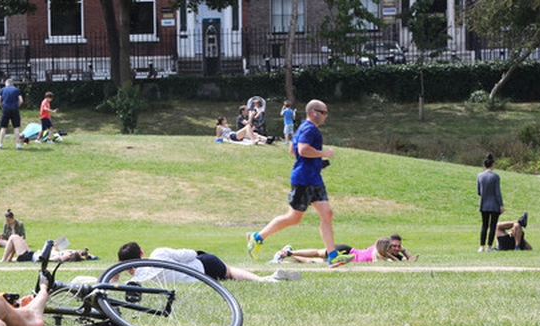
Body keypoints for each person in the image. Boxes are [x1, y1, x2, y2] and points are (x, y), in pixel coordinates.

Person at [246, 99, 354, 268]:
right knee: (293, 218)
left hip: (313, 177)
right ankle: (257, 237)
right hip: (304, 180)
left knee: (327, 214)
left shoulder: (304, 128)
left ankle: (332, 255)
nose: (326, 116)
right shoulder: (309, 128)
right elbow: (302, 150)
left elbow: (292, 150)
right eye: (324, 112)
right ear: (314, 112)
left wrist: (316, 163)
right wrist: (324, 153)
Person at [118, 242, 301, 282]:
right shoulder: (158, 253)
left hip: (201, 277)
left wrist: (115, 277)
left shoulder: (137, 282)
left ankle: (269, 278)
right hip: (203, 264)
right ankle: (264, 279)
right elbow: (189, 253)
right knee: (229, 272)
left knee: (228, 275)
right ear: (142, 253)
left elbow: (113, 285)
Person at [272, 237, 398, 264]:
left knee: (317, 254)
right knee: (314, 259)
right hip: (345, 255)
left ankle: (288, 253)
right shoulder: (377, 256)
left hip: (346, 249)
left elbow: (394, 258)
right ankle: (285, 254)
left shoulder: (375, 249)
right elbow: (383, 261)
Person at [477, 153, 504, 252]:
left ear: (484, 165)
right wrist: (501, 204)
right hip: (494, 205)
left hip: (484, 204)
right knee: (492, 226)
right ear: (492, 164)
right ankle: (489, 246)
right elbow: (498, 192)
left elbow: (479, 192)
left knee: (484, 225)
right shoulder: (495, 177)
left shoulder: (479, 176)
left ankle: (481, 246)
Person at [0, 78, 24, 150]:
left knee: (3, 127)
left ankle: (0, 144)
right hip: (14, 109)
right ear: (12, 84)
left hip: (6, 109)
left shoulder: (2, 90)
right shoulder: (16, 90)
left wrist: (2, 106)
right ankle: (18, 144)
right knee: (16, 127)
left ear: (6, 84)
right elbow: (21, 100)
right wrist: (17, 106)